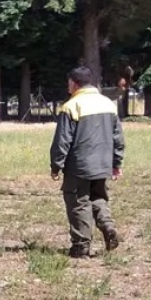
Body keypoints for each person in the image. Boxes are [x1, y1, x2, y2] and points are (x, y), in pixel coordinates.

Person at [49, 66, 123, 258]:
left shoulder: (71, 106)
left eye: (69, 83)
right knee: (97, 197)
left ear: (74, 83)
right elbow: (118, 137)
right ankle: (107, 226)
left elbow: (62, 140)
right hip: (103, 165)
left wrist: (56, 166)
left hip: (79, 166)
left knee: (78, 202)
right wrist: (116, 163)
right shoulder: (108, 104)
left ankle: (81, 247)